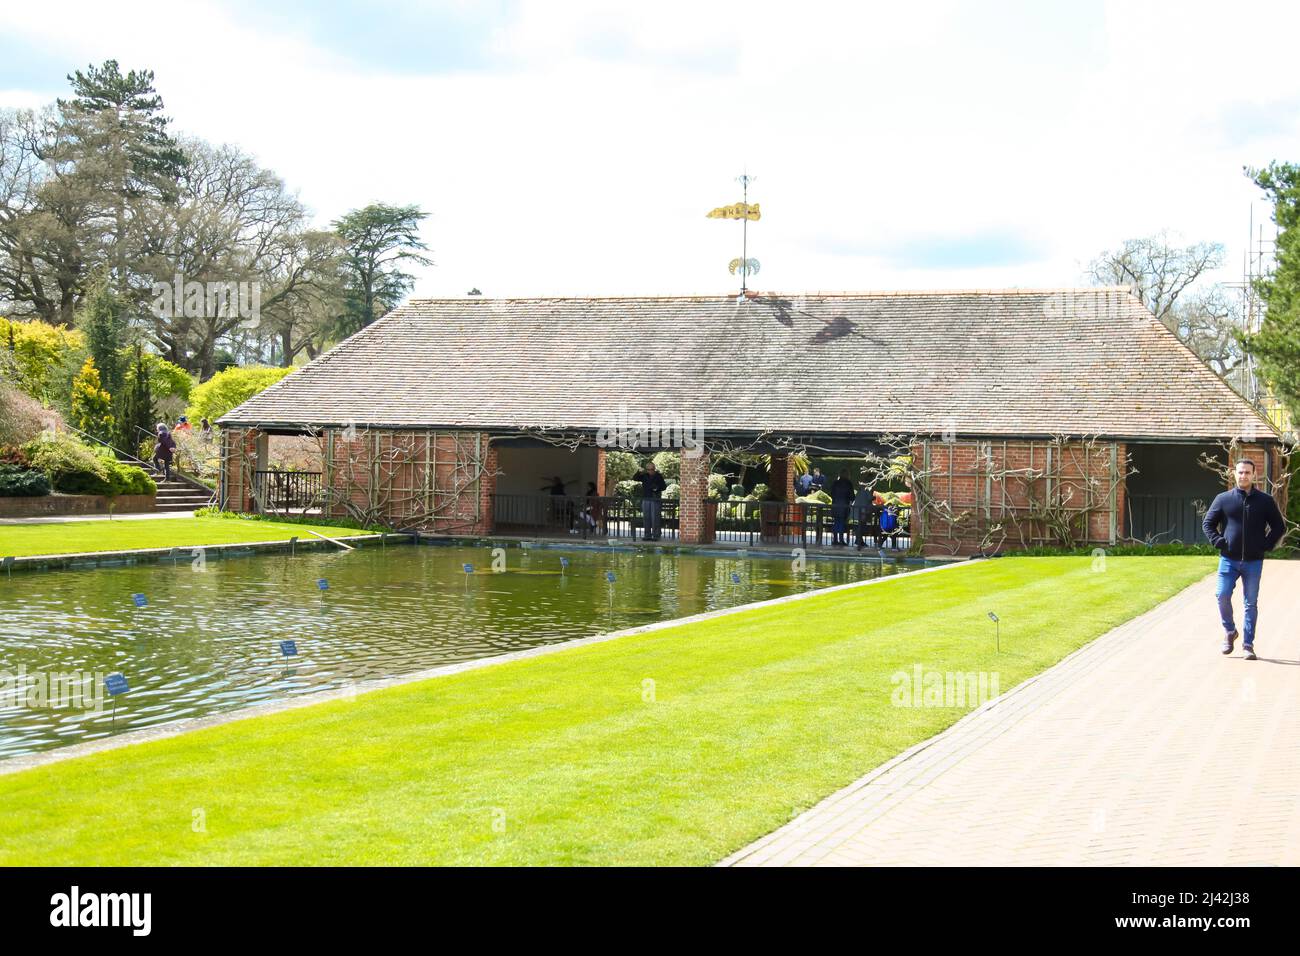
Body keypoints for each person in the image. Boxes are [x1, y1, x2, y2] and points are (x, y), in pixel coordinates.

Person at [1202, 458, 1285, 660]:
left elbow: (1278, 527)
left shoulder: (1265, 501)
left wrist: (1265, 545)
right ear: (1234, 474)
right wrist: (1220, 542)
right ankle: (1230, 631)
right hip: (1228, 560)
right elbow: (1208, 524)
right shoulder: (1223, 499)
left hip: (1253, 562)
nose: (1243, 476)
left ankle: (1248, 645)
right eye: (1240, 472)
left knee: (1250, 604)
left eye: (1247, 472)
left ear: (1254, 474)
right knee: (1221, 595)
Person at [632, 460, 668, 541]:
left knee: (655, 518)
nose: (650, 471)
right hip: (646, 499)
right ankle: (647, 535)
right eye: (648, 469)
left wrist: (657, 488)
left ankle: (656, 535)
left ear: (654, 469)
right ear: (646, 470)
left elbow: (664, 486)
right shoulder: (644, 475)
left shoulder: (659, 476)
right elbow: (634, 478)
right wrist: (638, 472)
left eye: (651, 469)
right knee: (646, 518)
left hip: (655, 499)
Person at [829, 471, 855, 546]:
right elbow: (852, 496)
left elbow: (831, 493)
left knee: (836, 522)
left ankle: (835, 540)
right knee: (842, 523)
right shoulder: (848, 484)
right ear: (847, 475)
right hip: (844, 506)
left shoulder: (835, 483)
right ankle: (841, 540)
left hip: (835, 506)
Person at [852, 484, 875, 550]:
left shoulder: (860, 490)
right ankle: (859, 541)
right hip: (862, 511)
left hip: (858, 510)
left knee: (860, 526)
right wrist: (874, 497)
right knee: (861, 526)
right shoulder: (866, 490)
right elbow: (869, 498)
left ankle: (859, 541)